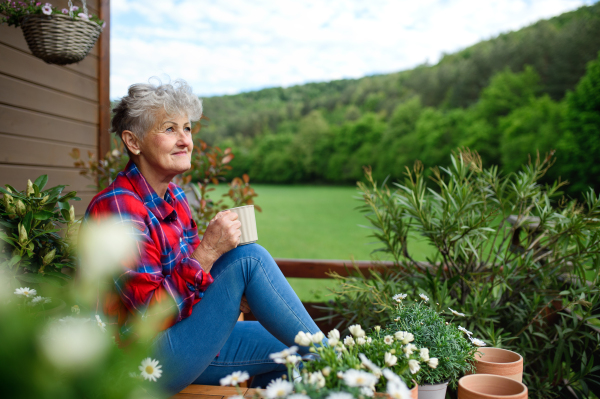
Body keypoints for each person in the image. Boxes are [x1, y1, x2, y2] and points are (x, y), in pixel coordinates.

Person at [84, 79, 324, 394]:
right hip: (137, 361)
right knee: (248, 260)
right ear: (134, 142)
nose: (185, 140)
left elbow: (191, 286)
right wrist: (209, 251)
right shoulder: (118, 208)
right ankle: (343, 360)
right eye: (170, 129)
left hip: (182, 335)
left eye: (187, 128)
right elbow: (147, 317)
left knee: (293, 352)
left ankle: (331, 357)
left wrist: (229, 293)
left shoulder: (176, 198)